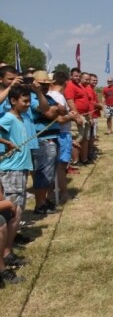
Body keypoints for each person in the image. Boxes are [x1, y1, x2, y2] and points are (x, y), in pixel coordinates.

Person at [0, 85, 33, 285]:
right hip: (11, 169)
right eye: (25, 101)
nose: (28, 105)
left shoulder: (20, 118)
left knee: (18, 211)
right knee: (12, 211)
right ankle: (6, 253)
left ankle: (8, 250)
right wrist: (7, 142)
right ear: (13, 101)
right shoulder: (8, 118)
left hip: (21, 168)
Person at [30, 71, 61, 215]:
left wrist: (54, 109)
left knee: (48, 173)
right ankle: (40, 204)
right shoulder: (33, 97)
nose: (45, 87)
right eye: (42, 84)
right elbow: (48, 113)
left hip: (52, 138)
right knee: (43, 173)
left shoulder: (47, 97)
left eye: (47, 84)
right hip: (43, 140)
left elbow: (62, 109)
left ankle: (43, 201)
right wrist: (53, 110)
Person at [47, 71, 76, 202]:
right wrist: (71, 116)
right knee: (61, 165)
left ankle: (51, 193)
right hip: (62, 135)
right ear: (65, 83)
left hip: (55, 135)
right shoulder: (58, 97)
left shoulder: (49, 95)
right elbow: (58, 119)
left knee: (52, 165)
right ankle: (64, 194)